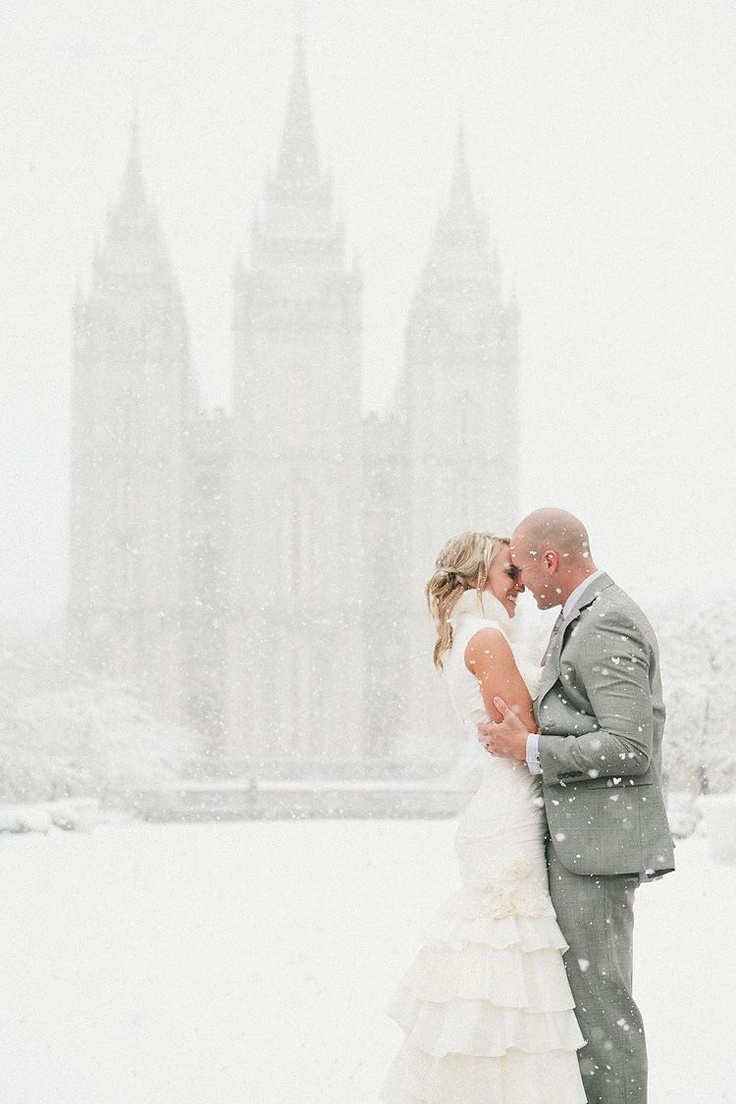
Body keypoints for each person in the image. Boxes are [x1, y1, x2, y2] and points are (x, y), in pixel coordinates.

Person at [478, 508, 675, 1104]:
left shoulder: (606, 621)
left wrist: (529, 748)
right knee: (586, 1017)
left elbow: (629, 746)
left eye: (521, 564)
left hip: (596, 850)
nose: (518, 578)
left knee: (602, 1016)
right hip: (581, 845)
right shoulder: (585, 616)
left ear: (551, 561)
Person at [382, 531, 586, 1103]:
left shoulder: (463, 636)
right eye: (507, 573)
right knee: (509, 970)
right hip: (509, 814)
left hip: (499, 808)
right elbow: (528, 732)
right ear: (476, 578)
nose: (520, 584)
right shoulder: (488, 635)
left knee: (500, 976)